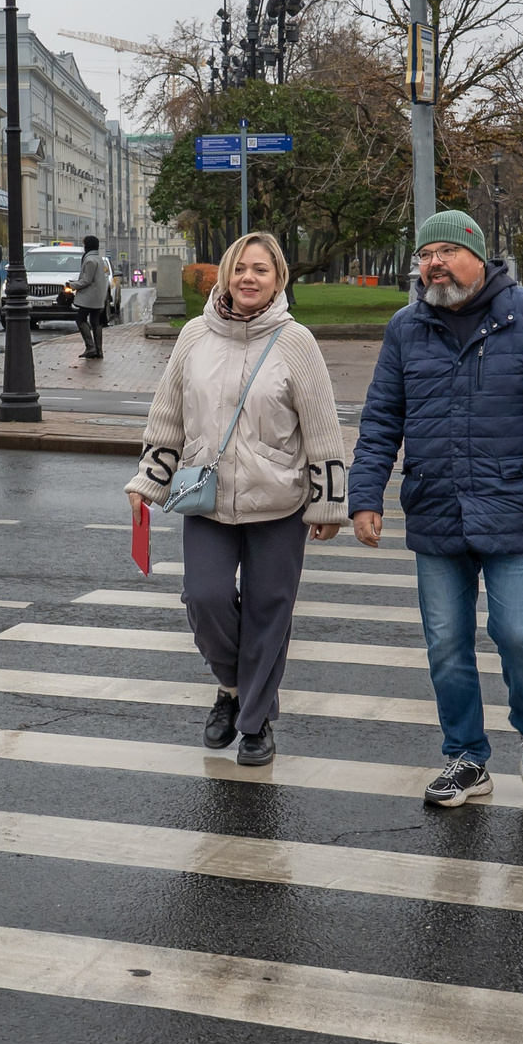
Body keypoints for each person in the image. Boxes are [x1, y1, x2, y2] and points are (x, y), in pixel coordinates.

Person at [348, 209, 523, 807]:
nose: (434, 264)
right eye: (426, 256)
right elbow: (381, 420)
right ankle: (465, 758)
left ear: (478, 257)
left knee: (517, 633)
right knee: (446, 645)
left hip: (514, 506)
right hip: (435, 508)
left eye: (446, 253)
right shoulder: (406, 327)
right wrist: (364, 496)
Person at [127, 232, 346, 767]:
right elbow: (168, 417)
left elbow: (322, 427)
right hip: (207, 497)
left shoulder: (297, 342)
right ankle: (231, 687)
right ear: (225, 275)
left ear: (278, 280)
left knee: (271, 610)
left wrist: (328, 503)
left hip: (280, 501)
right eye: (240, 268)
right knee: (204, 599)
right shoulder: (194, 337)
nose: (249, 278)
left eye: (261, 271)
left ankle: (254, 723)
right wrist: (147, 482)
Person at [73, 235, 113, 359]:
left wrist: (72, 285)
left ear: (87, 246)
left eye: (84, 244)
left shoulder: (90, 260)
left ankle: (90, 347)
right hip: (98, 296)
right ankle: (99, 350)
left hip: (89, 297)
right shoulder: (99, 258)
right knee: (95, 321)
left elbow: (86, 280)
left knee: (80, 319)